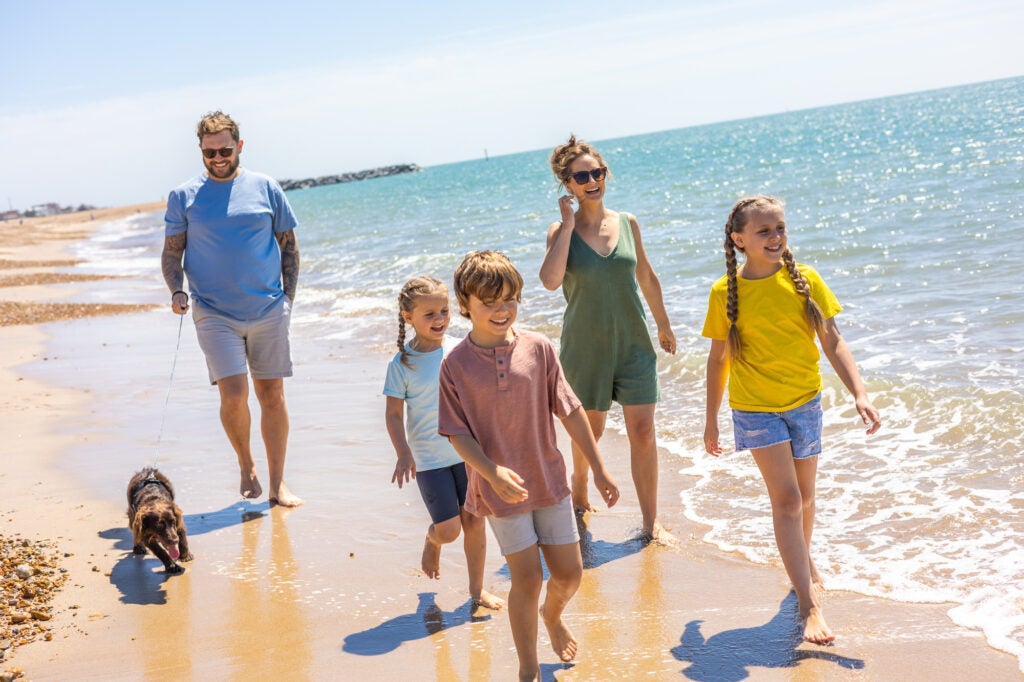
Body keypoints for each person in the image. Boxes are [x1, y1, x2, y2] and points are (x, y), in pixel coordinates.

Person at [701, 195, 882, 644]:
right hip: (756, 408)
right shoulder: (726, 293)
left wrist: (859, 392)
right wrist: (710, 420)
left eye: (779, 228)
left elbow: (833, 341)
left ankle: (803, 562)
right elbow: (717, 360)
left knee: (805, 499)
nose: (775, 237)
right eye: (764, 231)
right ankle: (808, 605)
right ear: (739, 239)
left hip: (805, 403)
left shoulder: (805, 281)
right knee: (786, 500)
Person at [438, 251, 620, 682]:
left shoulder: (539, 348)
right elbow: (456, 433)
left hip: (549, 479)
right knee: (526, 578)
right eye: (489, 303)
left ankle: (552, 617)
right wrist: (490, 472)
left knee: (570, 573)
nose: (501, 311)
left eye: (509, 300)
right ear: (465, 306)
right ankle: (528, 667)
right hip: (499, 492)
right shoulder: (455, 366)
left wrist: (597, 467)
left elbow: (571, 410)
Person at [162, 110, 303, 507]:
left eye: (225, 150)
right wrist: (176, 290)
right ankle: (246, 464)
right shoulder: (183, 196)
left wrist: (288, 301)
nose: (218, 158)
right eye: (209, 153)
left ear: (239, 146)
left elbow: (289, 247)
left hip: (269, 307)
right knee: (235, 392)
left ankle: (278, 485)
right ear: (201, 152)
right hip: (213, 311)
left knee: (272, 394)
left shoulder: (266, 187)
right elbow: (172, 254)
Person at [539, 134, 676, 542]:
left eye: (597, 172)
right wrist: (566, 227)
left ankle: (651, 524)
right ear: (568, 184)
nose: (592, 181)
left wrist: (663, 325)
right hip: (585, 348)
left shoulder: (628, 223)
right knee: (590, 432)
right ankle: (578, 486)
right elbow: (549, 282)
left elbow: (647, 278)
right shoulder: (558, 230)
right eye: (581, 176)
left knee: (643, 430)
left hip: (634, 344)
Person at [383, 275, 504, 610]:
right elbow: (393, 414)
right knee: (450, 530)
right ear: (408, 317)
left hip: (468, 453)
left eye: (444, 311)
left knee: (475, 521)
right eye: (429, 314)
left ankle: (477, 591)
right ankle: (432, 540)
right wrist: (402, 452)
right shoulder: (402, 364)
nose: (439, 320)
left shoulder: (460, 349)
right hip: (429, 459)